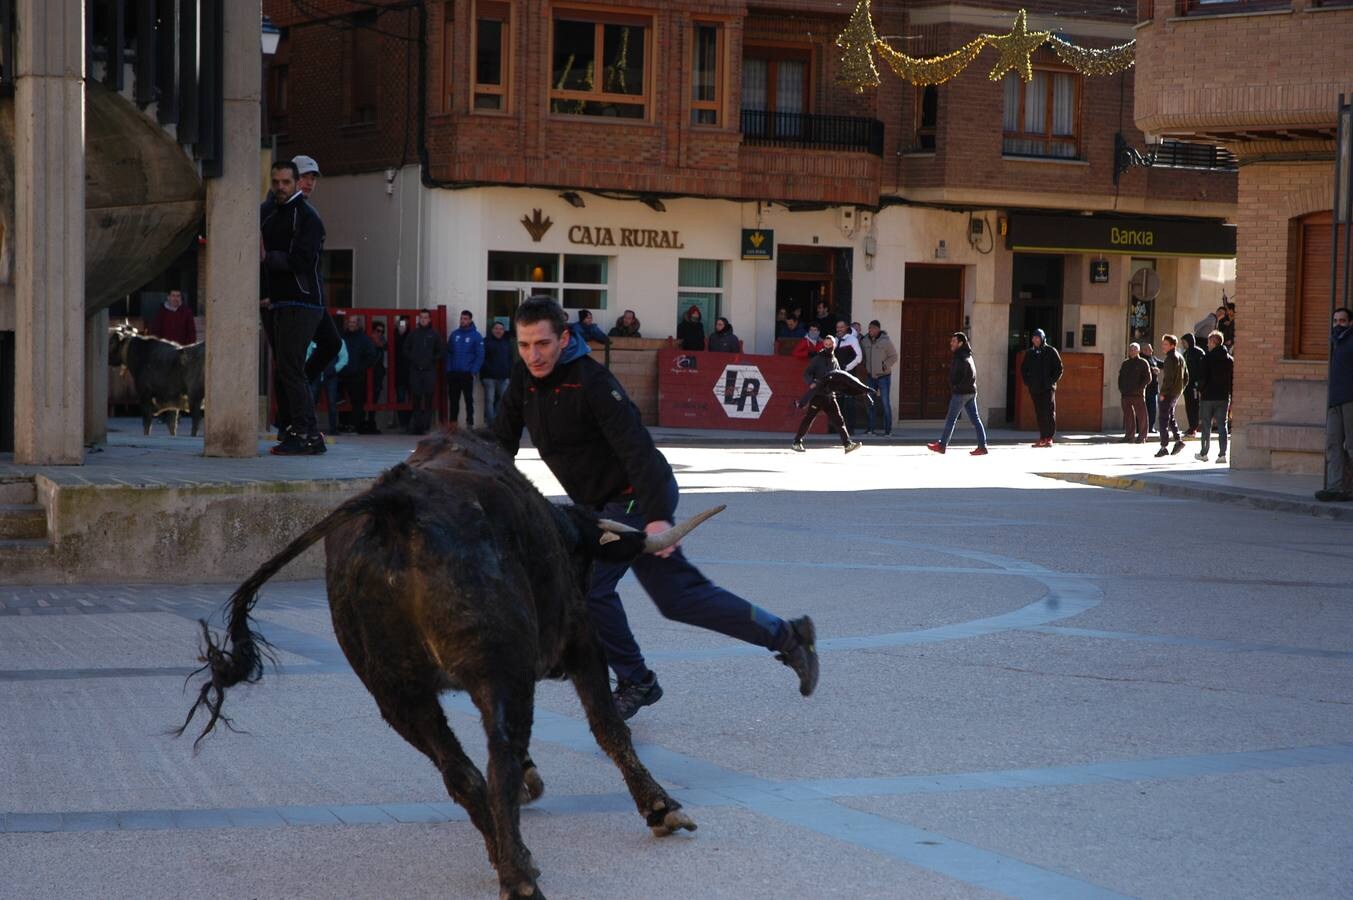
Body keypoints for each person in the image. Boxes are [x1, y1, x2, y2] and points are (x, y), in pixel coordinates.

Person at [491, 296, 819, 719]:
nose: (533, 355)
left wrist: (658, 514)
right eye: (524, 345)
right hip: (594, 506)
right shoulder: (525, 379)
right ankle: (789, 635)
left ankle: (637, 681)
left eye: (542, 344)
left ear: (565, 338)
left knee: (591, 590)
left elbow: (637, 449)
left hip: (634, 496)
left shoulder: (592, 382)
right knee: (679, 598)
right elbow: (501, 440)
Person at [260, 159, 327, 455]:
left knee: (291, 369)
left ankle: (307, 434)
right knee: (288, 369)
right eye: (276, 182)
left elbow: (302, 261)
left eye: (286, 182)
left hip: (302, 302)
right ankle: (301, 431)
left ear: (295, 182)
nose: (280, 187)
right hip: (281, 302)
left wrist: (267, 256)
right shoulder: (269, 212)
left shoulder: (307, 217)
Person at [791, 334, 863, 454]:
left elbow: (839, 376)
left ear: (834, 346)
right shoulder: (817, 359)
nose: (829, 346)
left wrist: (843, 387)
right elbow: (807, 374)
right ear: (824, 344)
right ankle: (797, 442)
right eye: (827, 344)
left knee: (839, 420)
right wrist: (811, 382)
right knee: (809, 418)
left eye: (831, 344)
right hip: (818, 395)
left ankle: (847, 444)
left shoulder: (834, 360)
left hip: (830, 396)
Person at [927, 332, 988, 456]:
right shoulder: (966, 355)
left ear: (961, 343)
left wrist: (955, 386)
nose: (951, 343)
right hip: (970, 392)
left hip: (961, 393)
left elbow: (960, 375)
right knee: (976, 420)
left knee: (951, 419)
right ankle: (982, 446)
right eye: (952, 341)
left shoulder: (961, 357)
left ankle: (942, 445)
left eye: (954, 341)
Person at [1316, 307, 1353, 502]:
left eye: (1342, 321)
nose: (1338, 324)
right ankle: (1335, 487)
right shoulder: (1335, 342)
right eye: (1335, 321)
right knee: (1333, 444)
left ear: (1350, 323)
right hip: (1334, 401)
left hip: (1350, 400)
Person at [403, 308, 445, 434]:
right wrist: (414, 359)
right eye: (421, 317)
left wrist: (431, 359)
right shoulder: (413, 334)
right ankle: (417, 426)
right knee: (415, 398)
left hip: (429, 370)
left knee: (428, 398)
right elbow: (405, 349)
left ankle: (426, 426)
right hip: (415, 370)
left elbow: (441, 351)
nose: (423, 319)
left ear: (430, 319)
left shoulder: (434, 334)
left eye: (425, 317)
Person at [1019, 329, 1063, 447]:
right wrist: (1029, 382)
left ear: (1042, 338)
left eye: (1038, 338)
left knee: (1049, 412)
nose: (1035, 340)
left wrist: (1051, 381)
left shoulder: (1051, 351)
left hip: (1048, 388)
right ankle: (1042, 437)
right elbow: (1024, 369)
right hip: (1035, 388)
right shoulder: (1030, 353)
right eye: (1034, 338)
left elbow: (1059, 368)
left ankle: (1049, 437)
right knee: (1039, 413)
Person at [1195, 330, 1232, 464]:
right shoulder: (1229, 360)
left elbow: (1202, 378)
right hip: (1223, 397)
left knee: (1206, 426)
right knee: (1222, 426)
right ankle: (1222, 455)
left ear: (1213, 342)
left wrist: (1200, 389)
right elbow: (1232, 381)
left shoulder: (1207, 358)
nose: (1207, 344)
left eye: (1209, 342)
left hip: (1208, 397)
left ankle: (1204, 453)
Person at [338, 315, 380, 434]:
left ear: (358, 324)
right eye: (350, 322)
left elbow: (371, 355)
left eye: (354, 322)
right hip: (341, 374)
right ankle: (343, 423)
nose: (351, 324)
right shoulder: (342, 336)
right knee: (341, 401)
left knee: (357, 401)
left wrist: (360, 368)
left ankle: (354, 425)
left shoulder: (363, 339)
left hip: (356, 375)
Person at [446, 310, 484, 428]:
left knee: (468, 400)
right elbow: (449, 353)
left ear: (470, 320)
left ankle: (470, 423)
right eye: (461, 318)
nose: (463, 321)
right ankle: (453, 425)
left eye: (465, 319)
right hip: (454, 373)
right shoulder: (454, 334)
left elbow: (480, 356)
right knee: (453, 400)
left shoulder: (476, 336)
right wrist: (449, 370)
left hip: (467, 374)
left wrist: (473, 371)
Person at [1153, 334, 1188, 458]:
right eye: (1163, 344)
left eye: (1166, 344)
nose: (1163, 346)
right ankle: (1178, 441)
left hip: (1169, 393)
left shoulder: (1170, 358)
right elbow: (1186, 377)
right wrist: (1180, 390)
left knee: (1163, 419)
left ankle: (1164, 446)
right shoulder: (1180, 357)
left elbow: (1168, 379)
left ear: (1172, 345)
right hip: (1175, 392)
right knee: (1170, 416)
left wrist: (1163, 393)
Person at [860, 320, 897, 436]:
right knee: (870, 402)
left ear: (878, 329)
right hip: (870, 377)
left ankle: (888, 430)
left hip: (884, 377)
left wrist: (884, 365)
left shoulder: (886, 341)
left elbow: (894, 356)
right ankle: (871, 429)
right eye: (869, 328)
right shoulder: (864, 340)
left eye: (872, 328)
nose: (870, 330)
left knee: (885, 403)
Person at [833, 320, 866, 433]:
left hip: (849, 375)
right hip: (837, 375)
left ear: (847, 327)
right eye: (837, 327)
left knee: (849, 401)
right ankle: (839, 428)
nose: (839, 329)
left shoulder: (852, 340)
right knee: (838, 400)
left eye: (841, 327)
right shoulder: (835, 340)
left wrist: (847, 368)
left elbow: (859, 357)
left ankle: (850, 428)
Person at [1117, 343, 1152, 444]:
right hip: (1125, 394)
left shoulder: (1143, 363)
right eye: (1131, 349)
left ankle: (1142, 437)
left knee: (1142, 416)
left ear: (1138, 351)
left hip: (1138, 394)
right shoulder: (1125, 363)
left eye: (1134, 349)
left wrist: (1140, 388)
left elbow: (1148, 378)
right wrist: (1121, 388)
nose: (1132, 351)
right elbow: (1120, 377)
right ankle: (1129, 436)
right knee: (1128, 416)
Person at [480, 320, 512, 426]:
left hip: (504, 377)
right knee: (490, 400)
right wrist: (485, 372)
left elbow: (510, 359)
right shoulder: (485, 342)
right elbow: (481, 359)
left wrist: (509, 373)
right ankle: (491, 424)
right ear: (492, 330)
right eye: (496, 328)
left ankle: (497, 420)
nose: (498, 331)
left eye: (501, 329)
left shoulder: (507, 343)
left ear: (504, 331)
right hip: (489, 377)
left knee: (503, 400)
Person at [1180, 332, 1206, 437]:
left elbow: (1202, 369)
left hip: (1195, 385)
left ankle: (1194, 427)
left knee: (1194, 406)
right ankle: (1191, 426)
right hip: (1186, 385)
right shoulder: (1185, 353)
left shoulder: (1198, 352)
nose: (1183, 344)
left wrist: (1199, 383)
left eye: (1184, 342)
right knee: (1189, 406)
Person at [365, 320, 388, 433]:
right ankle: (365, 423)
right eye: (378, 331)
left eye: (382, 332)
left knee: (375, 399)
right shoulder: (367, 342)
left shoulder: (383, 344)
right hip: (366, 374)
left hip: (378, 374)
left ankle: (371, 422)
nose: (380, 334)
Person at [392, 316, 412, 432]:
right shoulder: (395, 335)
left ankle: (408, 423)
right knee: (401, 398)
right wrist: (399, 333)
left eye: (405, 323)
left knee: (410, 399)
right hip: (399, 372)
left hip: (410, 372)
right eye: (401, 323)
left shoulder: (412, 334)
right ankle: (403, 423)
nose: (403, 325)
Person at [1141, 341, 1160, 434]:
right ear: (1144, 350)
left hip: (1153, 389)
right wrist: (1152, 370)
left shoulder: (1153, 358)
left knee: (1152, 409)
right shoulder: (1141, 359)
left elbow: (1162, 364)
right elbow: (1143, 369)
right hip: (1144, 389)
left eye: (1151, 348)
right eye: (1149, 349)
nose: (1151, 350)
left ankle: (1151, 427)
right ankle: (1141, 427)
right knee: (1143, 410)